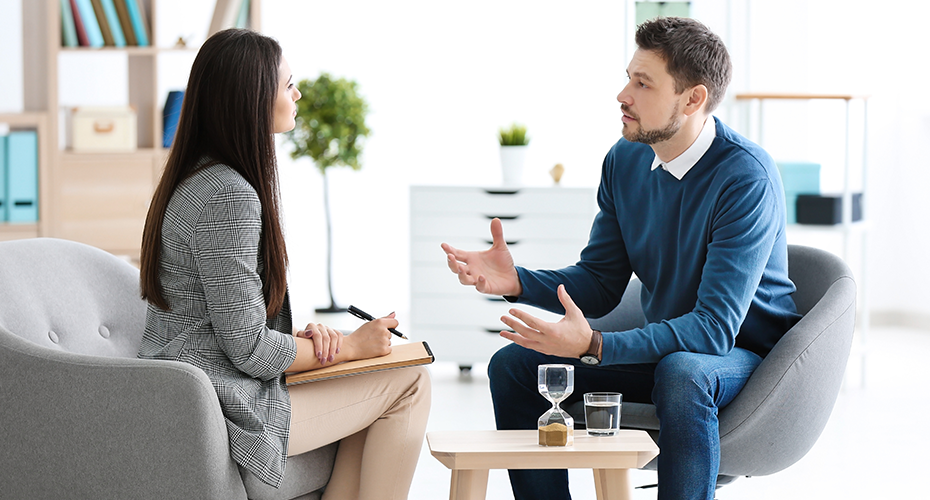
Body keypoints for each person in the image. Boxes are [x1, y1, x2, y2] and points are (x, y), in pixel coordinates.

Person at [441, 17, 801, 500]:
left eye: (642, 82)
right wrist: (516, 280)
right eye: (628, 77)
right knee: (513, 366)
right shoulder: (625, 159)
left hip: (742, 355)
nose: (622, 94)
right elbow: (600, 282)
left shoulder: (745, 177)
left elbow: (714, 330)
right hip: (669, 345)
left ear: (692, 99)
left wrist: (594, 344)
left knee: (683, 372)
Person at [138, 29, 430, 500]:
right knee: (411, 379)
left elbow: (225, 320)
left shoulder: (197, 177)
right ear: (252, 99)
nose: (297, 94)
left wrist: (302, 342)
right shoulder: (227, 194)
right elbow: (249, 350)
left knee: (372, 380)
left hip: (202, 387)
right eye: (288, 84)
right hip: (219, 402)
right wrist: (352, 347)